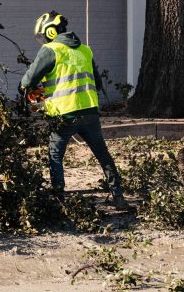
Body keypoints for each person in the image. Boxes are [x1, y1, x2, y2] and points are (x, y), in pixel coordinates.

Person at [20, 11, 128, 209]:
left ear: (50, 32)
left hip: (64, 115)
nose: (42, 40)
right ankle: (119, 197)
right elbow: (96, 81)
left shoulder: (50, 50)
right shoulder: (85, 50)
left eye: (43, 35)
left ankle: (60, 200)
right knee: (103, 155)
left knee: (55, 156)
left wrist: (37, 95)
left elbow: (27, 81)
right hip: (89, 112)